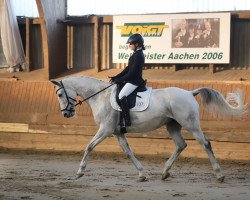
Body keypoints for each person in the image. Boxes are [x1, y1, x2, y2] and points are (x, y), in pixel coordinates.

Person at [109, 33, 145, 133]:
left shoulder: (138, 55)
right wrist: (117, 76)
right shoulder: (136, 54)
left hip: (135, 81)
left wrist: (120, 80)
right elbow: (128, 68)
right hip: (132, 79)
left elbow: (132, 73)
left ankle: (126, 120)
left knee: (121, 95)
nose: (129, 46)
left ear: (137, 44)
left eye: (131, 44)